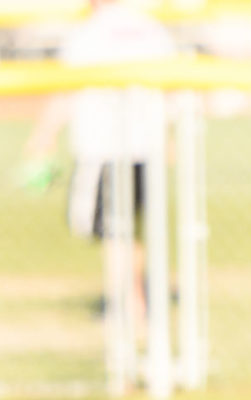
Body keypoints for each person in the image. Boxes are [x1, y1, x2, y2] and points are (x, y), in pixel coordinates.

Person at [18, 0, 177, 328]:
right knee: (128, 230)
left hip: (102, 148)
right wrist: (168, 136)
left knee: (110, 232)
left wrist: (43, 136)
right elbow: (170, 90)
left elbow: (68, 91)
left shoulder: (87, 33)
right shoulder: (151, 27)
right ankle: (136, 301)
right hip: (144, 146)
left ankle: (130, 303)